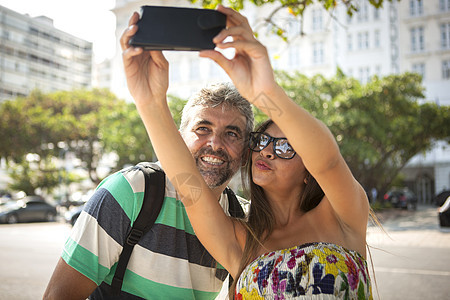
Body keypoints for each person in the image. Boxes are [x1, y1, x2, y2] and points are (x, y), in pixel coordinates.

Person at [130, 5, 373, 299]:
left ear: (309, 171)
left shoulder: (342, 217)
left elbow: (328, 160)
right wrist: (149, 101)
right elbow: (188, 186)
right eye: (261, 141)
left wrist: (264, 94)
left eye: (284, 146)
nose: (267, 151)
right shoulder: (242, 241)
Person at [42, 14, 254, 298]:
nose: (214, 143)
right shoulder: (131, 192)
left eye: (232, 133)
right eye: (203, 128)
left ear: (245, 152)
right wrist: (150, 99)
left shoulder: (244, 220)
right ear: (178, 139)